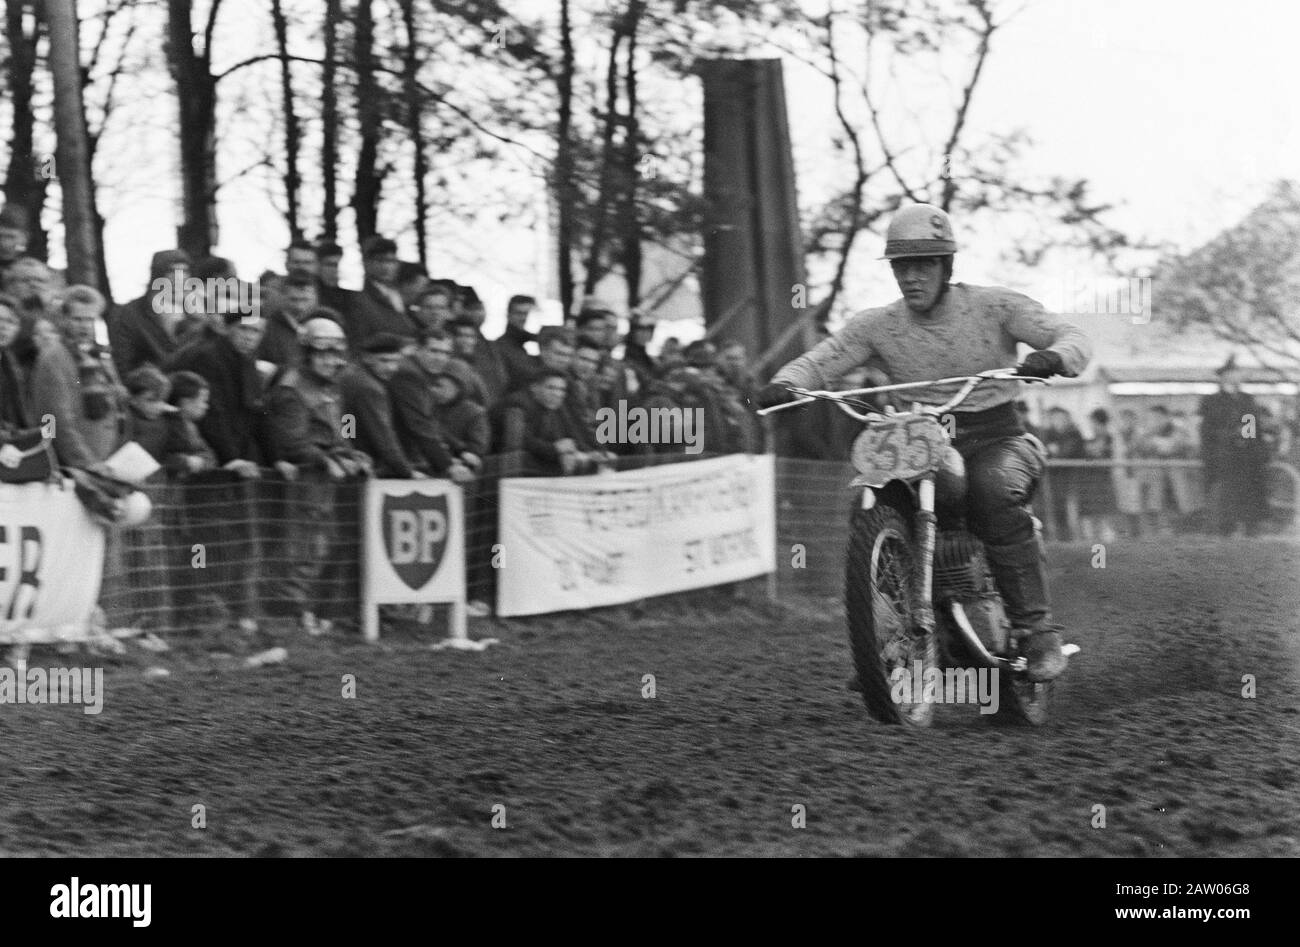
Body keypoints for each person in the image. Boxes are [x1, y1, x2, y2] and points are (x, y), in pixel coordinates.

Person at [755, 202, 1092, 682]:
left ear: (946, 266)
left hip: (997, 437)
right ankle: (882, 643)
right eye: (902, 266)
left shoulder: (995, 306)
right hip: (917, 440)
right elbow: (822, 359)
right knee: (872, 502)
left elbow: (1068, 333)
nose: (911, 277)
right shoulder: (878, 325)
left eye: (923, 264)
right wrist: (787, 383)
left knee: (991, 491)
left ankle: (1037, 632)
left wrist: (1054, 356)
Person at [265, 317, 373, 635]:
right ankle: (288, 617)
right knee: (301, 547)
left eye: (335, 354)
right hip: (303, 481)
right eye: (322, 354)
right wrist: (327, 460)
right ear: (306, 353)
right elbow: (292, 441)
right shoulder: (292, 388)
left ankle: (309, 612)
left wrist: (350, 455)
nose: (331, 361)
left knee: (323, 546)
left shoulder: (329, 388)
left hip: (324, 482)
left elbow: (335, 433)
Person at [30, 285, 128, 470]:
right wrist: (86, 462)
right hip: (76, 467)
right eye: (77, 319)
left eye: (90, 319)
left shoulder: (100, 357)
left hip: (106, 460)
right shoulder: (54, 357)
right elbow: (56, 419)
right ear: (64, 319)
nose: (84, 326)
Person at [1199, 355, 1270, 536]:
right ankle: (1225, 533)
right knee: (1225, 506)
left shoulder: (1247, 400)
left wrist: (1250, 441)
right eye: (1233, 373)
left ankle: (1251, 532)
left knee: (1250, 505)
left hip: (1248, 459)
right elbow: (1209, 430)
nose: (1237, 377)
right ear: (1224, 376)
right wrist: (1231, 436)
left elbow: (1252, 428)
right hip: (1224, 460)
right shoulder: (1212, 401)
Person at [339, 332, 425, 479]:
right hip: (367, 468)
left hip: (352, 461)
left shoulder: (350, 376)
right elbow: (384, 437)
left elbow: (347, 419)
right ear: (367, 358)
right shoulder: (370, 388)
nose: (391, 368)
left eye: (395, 361)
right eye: (384, 361)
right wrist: (407, 471)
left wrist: (350, 444)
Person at [107, 248, 192, 375]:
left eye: (184, 271)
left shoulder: (195, 315)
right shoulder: (128, 314)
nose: (179, 278)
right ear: (157, 275)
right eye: (172, 271)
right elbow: (123, 366)